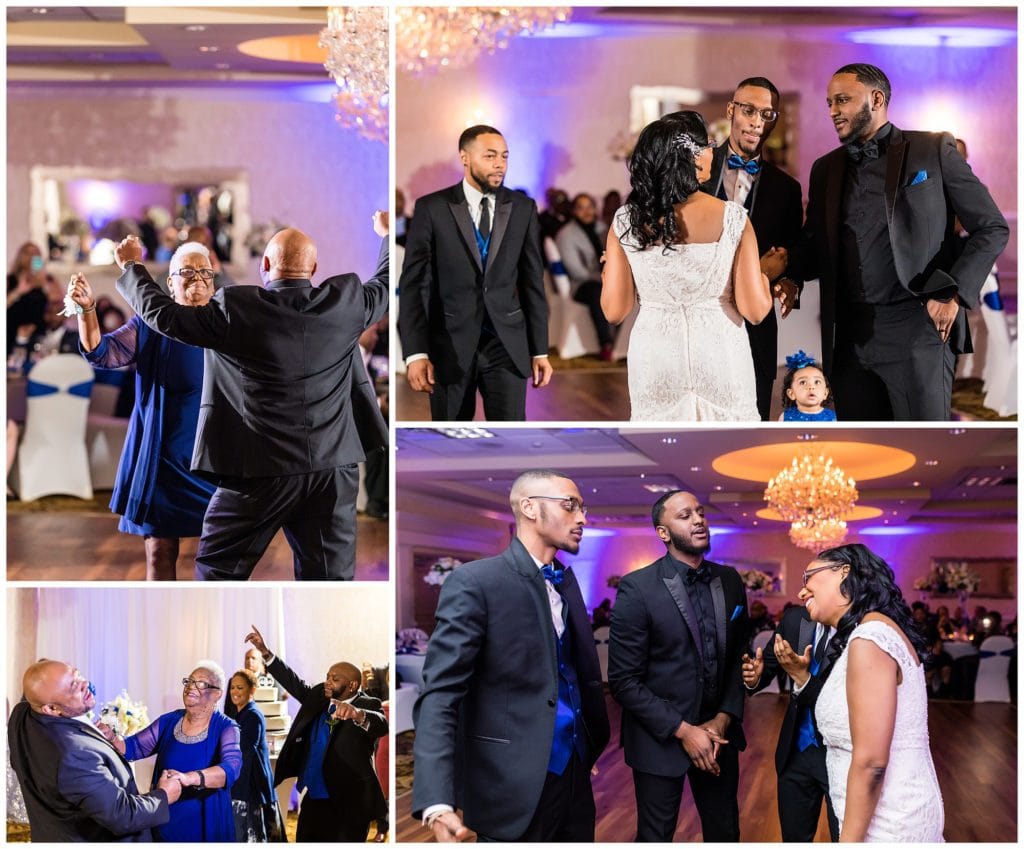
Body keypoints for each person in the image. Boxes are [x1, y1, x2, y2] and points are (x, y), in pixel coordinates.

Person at [112, 214, 389, 581]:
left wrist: (132, 266)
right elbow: (385, 281)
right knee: (329, 580)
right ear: (314, 268)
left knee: (218, 570)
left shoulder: (237, 308)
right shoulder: (348, 302)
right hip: (332, 471)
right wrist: (386, 236)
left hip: (259, 472)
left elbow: (166, 316)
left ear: (266, 265)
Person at [784, 63, 1009, 421]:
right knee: (865, 455)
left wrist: (952, 293)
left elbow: (992, 227)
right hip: (849, 338)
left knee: (925, 454)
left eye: (842, 100)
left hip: (918, 327)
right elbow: (817, 247)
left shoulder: (932, 150)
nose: (832, 111)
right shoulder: (825, 168)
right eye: (829, 102)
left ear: (876, 99)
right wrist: (787, 271)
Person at [412, 469, 610, 841]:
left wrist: (579, 743)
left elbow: (571, 675)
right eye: (571, 505)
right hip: (509, 785)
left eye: (583, 507)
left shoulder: (565, 583)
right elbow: (440, 694)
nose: (582, 517)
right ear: (530, 508)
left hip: (575, 776)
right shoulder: (476, 582)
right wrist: (437, 801)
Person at [602, 111, 772, 421]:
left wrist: (610, 271)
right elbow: (755, 311)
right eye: (709, 144)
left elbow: (615, 311)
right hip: (721, 356)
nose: (713, 152)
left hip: (655, 360)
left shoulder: (625, 221)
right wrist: (764, 274)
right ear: (692, 155)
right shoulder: (733, 218)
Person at [607, 490, 748, 841]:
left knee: (725, 833)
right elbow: (623, 680)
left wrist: (722, 719)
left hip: (718, 737)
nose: (698, 519)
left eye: (700, 512)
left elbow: (737, 659)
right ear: (663, 532)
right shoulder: (637, 587)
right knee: (656, 836)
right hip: (660, 739)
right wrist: (685, 731)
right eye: (685, 515)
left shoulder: (729, 579)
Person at [70, 252, 217, 581]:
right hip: (162, 462)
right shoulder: (150, 325)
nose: (197, 278)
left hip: (214, 462)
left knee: (218, 557)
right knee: (160, 553)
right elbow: (101, 352)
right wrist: (87, 310)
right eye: (187, 272)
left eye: (205, 272)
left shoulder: (226, 325)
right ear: (169, 283)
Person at [398, 125, 552, 421]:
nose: (500, 164)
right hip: (449, 346)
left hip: (506, 345)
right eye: (490, 156)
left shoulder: (523, 207)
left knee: (512, 435)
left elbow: (532, 282)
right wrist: (416, 353)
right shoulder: (432, 208)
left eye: (505, 157)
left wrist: (540, 350)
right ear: (465, 158)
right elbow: (415, 286)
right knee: (448, 435)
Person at [799, 543, 944, 841]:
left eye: (808, 577)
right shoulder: (872, 632)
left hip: (889, 821)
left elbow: (872, 762)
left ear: (843, 572)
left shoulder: (870, 638)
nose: (801, 592)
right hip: (884, 811)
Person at [701, 76, 804, 420]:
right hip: (697, 323)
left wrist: (790, 281)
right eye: (749, 110)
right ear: (731, 110)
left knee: (753, 421)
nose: (757, 121)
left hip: (754, 329)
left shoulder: (786, 189)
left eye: (767, 114)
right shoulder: (693, 170)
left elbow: (792, 251)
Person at [244, 625, 388, 842]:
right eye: (328, 676)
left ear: (352, 685)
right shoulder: (320, 695)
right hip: (315, 796)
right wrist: (265, 653)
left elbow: (380, 724)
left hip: (350, 802)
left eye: (335, 679)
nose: (328, 681)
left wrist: (357, 714)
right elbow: (293, 682)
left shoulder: (368, 703)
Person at [8, 660, 180, 841]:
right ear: (51, 708)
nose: (85, 683)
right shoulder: (74, 754)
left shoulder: (21, 714)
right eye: (73, 686)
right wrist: (163, 796)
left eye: (77, 674)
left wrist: (95, 736)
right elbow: (122, 815)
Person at [108, 662, 240, 842]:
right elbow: (132, 748)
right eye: (189, 682)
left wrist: (190, 778)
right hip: (165, 820)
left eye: (200, 683)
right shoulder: (169, 721)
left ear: (217, 694)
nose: (190, 688)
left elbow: (231, 768)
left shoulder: (226, 727)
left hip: (204, 826)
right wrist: (112, 738)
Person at [741, 604, 840, 841]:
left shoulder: (859, 626)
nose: (803, 592)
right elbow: (766, 666)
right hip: (795, 752)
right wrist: (754, 677)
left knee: (844, 837)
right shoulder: (796, 619)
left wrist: (803, 677)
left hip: (839, 753)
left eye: (811, 579)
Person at [227, 669, 285, 842]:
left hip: (252, 780)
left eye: (240, 688)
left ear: (252, 690)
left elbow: (245, 752)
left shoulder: (252, 715)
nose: (235, 692)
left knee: (254, 834)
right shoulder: (241, 713)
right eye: (232, 688)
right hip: (246, 777)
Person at [555, 192, 614, 359]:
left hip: (603, 279)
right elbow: (576, 271)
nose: (587, 211)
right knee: (597, 293)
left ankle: (623, 341)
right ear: (574, 211)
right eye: (581, 208)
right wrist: (604, 279)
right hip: (581, 285)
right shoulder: (566, 234)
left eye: (590, 207)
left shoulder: (602, 228)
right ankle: (606, 344)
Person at [6, 242, 50, 356]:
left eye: (36, 253)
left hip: (37, 335)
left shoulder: (44, 281)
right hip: (11, 333)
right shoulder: (10, 280)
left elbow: (54, 303)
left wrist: (42, 279)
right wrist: (18, 291)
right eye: (29, 253)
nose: (32, 257)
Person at [779, 349, 837, 421]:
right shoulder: (785, 417)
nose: (811, 387)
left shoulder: (833, 418)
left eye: (817, 382)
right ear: (791, 393)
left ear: (825, 393)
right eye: (803, 382)